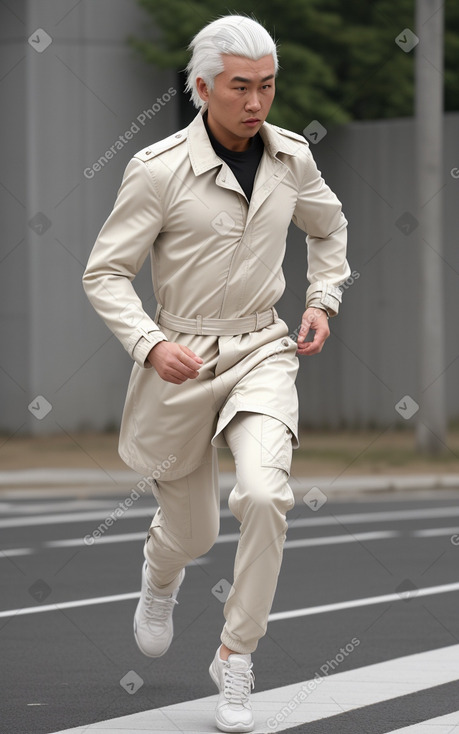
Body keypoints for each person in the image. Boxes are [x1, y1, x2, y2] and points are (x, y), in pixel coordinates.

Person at [83, 14, 350, 733]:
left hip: (263, 348)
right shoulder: (158, 169)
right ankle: (159, 574)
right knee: (194, 533)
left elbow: (328, 229)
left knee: (265, 495)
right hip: (180, 358)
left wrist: (322, 298)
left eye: (266, 86)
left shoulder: (293, 159)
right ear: (201, 88)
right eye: (239, 87)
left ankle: (235, 656)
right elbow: (105, 272)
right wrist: (146, 342)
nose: (256, 101)